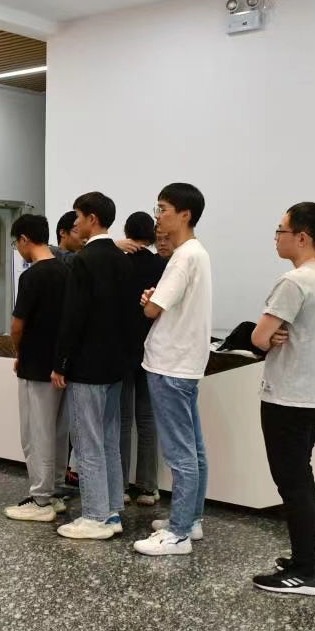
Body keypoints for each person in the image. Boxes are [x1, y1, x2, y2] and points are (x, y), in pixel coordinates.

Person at [249, 203, 315, 595]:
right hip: (314, 394)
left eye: (280, 230)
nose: (276, 237)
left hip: (288, 395)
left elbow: (258, 337)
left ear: (302, 237)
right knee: (301, 477)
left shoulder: (295, 281)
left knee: (293, 481)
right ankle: (309, 559)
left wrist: (270, 336)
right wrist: (275, 334)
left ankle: (306, 570)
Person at [51, 191, 138, 540]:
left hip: (87, 366)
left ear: (91, 218)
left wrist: (61, 362)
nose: (75, 222)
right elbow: (131, 317)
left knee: (87, 442)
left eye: (77, 216)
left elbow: (73, 316)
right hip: (116, 365)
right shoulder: (123, 260)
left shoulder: (84, 260)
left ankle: (94, 516)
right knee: (109, 439)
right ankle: (112, 510)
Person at [134, 183, 213, 556]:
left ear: (185, 214)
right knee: (193, 449)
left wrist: (149, 301)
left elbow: (152, 310)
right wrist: (155, 300)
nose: (158, 216)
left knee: (181, 453)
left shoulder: (183, 257)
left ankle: (179, 532)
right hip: (185, 363)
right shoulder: (198, 253)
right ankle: (191, 519)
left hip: (170, 364)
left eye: (163, 209)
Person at [3, 214, 71, 521]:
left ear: (24, 239)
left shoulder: (31, 277)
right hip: (62, 364)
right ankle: (54, 492)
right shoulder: (67, 271)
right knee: (58, 431)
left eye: (16, 242)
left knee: (36, 432)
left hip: (35, 364)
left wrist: (19, 351)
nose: (18, 248)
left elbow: (17, 326)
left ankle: (40, 499)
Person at [118, 211, 167, 507]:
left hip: (122, 349)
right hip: (151, 349)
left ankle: (122, 486)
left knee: (123, 421)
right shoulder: (161, 265)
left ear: (127, 232)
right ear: (151, 235)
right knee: (147, 419)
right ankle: (148, 488)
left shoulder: (119, 263)